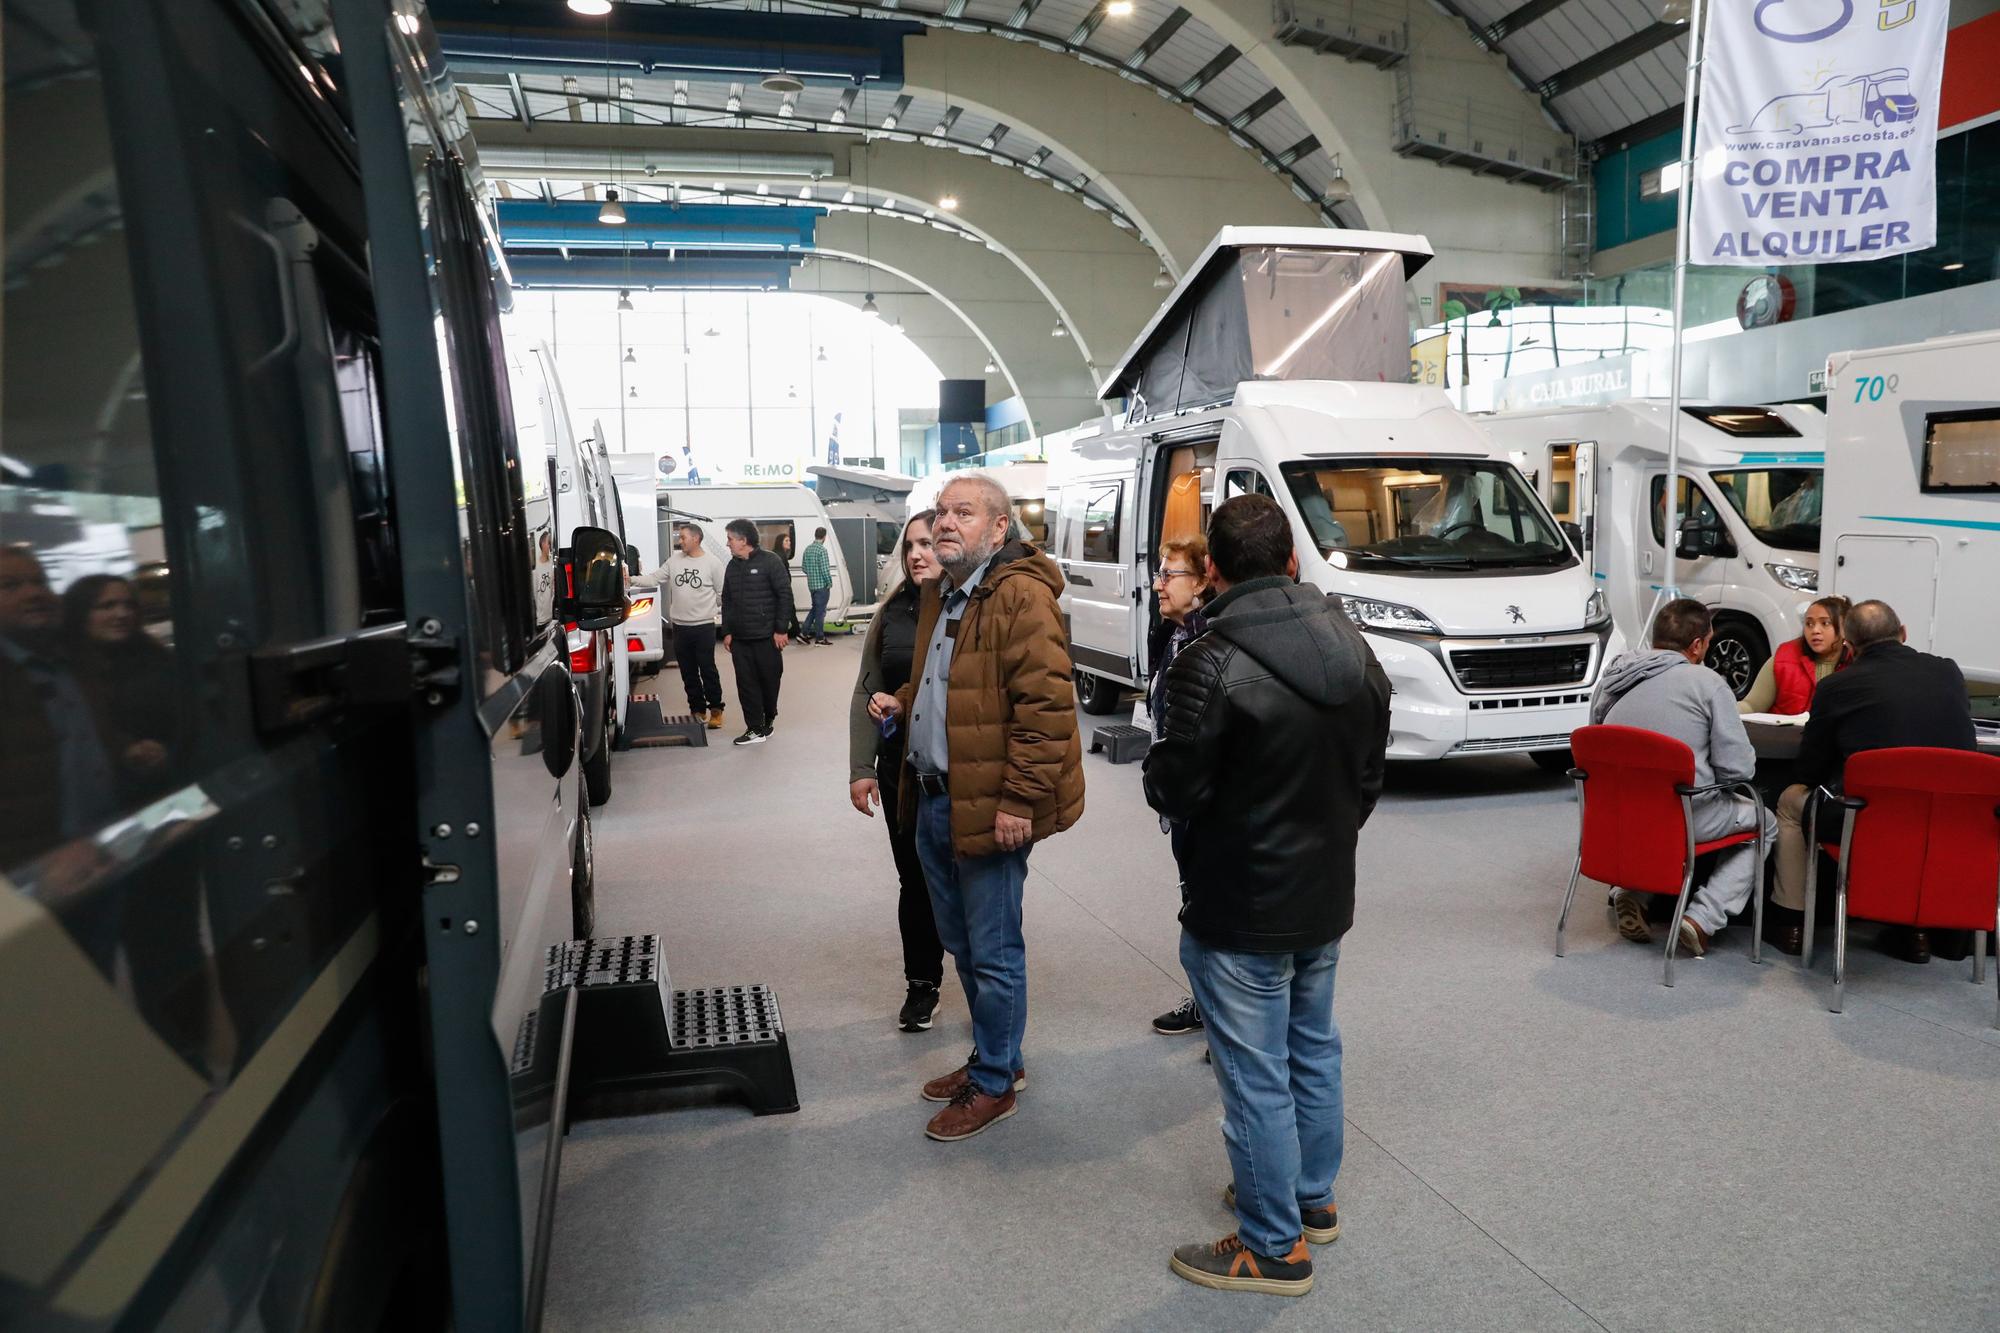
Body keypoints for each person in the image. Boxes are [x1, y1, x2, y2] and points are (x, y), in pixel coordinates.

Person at [1142, 494, 1389, 1297]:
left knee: (1253, 1073)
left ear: (1212, 569)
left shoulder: (1207, 660)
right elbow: (1370, 773)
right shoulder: (1354, 644)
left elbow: (1173, 784)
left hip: (1239, 901)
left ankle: (1273, 1245)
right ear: (1292, 560)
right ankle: (1309, 1199)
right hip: (1325, 891)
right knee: (1312, 1046)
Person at [868, 473, 1084, 1143]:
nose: (944, 523)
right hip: (935, 797)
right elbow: (947, 674)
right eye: (940, 512)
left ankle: (994, 1083)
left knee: (991, 949)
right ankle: (999, 1056)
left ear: (999, 528)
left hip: (990, 802)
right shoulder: (944, 591)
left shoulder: (1020, 595)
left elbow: (1045, 708)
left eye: (964, 512)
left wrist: (1019, 797)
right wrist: (907, 698)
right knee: (960, 941)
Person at [1770, 599, 1977, 959]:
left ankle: (1791, 923)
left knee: (1791, 800)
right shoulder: (1949, 672)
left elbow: (1810, 772)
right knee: (1911, 814)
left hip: (1868, 824)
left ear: (1849, 646)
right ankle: (1916, 931)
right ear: (1903, 633)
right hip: (1944, 825)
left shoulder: (1837, 686)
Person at [1591, 598, 1776, 957]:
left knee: (1657, 803)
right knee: (1763, 823)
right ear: (1697, 646)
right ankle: (1702, 918)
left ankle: (1632, 891)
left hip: (1616, 814)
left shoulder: (1612, 678)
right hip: (1683, 814)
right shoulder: (1707, 683)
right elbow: (1739, 770)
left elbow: (1594, 740)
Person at [847, 511, 946, 1033]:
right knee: (913, 878)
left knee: (961, 881)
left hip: (954, 771)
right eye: (910, 545)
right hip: (898, 769)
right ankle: (922, 984)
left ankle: (984, 986)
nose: (916, 554)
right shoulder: (892, 612)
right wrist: (861, 768)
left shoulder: (964, 608)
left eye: (927, 543)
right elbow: (866, 690)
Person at [1146, 534, 1212, 1038]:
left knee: (1209, 909)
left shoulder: (1208, 641)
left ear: (1204, 581)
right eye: (1159, 574)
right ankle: (1207, 1002)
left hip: (1206, 802)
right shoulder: (1171, 634)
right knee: (1192, 898)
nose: (1158, 584)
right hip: (1181, 800)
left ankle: (1223, 1016)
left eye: (1170, 575)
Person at [61, 574, 177, 802]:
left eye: (129, 605)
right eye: (106, 606)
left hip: (165, 787)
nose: (122, 614)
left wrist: (169, 752)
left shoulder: (157, 659)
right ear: (80, 614)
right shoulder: (66, 671)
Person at [719, 519, 793, 746]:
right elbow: (727, 600)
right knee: (746, 684)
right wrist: (727, 631)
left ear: (743, 540)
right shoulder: (732, 565)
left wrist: (781, 629)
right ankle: (754, 727)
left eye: (730, 539)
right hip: (741, 639)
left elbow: (785, 596)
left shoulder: (771, 561)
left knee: (770, 681)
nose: (727, 543)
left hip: (767, 637)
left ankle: (768, 719)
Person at [646, 524, 728, 729]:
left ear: (696, 538)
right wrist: (629, 580)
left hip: (704, 627)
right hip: (680, 627)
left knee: (707, 669)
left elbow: (723, 594)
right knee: (688, 671)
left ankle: (716, 710)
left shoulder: (713, 563)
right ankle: (697, 710)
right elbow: (655, 578)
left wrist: (708, 608)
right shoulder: (674, 561)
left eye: (683, 537)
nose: (679, 541)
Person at [1738, 595, 1852, 716]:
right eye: (1809, 624)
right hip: (1782, 734)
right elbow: (1751, 705)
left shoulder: (1858, 662)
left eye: (1825, 623)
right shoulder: (1783, 657)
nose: (1815, 630)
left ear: (1845, 628)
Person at [800, 526, 834, 645]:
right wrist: (829, 582)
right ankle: (820, 638)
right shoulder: (822, 550)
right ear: (824, 537)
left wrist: (812, 574)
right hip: (822, 586)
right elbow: (825, 570)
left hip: (812, 586)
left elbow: (804, 568)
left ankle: (803, 633)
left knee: (815, 609)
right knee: (820, 612)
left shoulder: (808, 549)